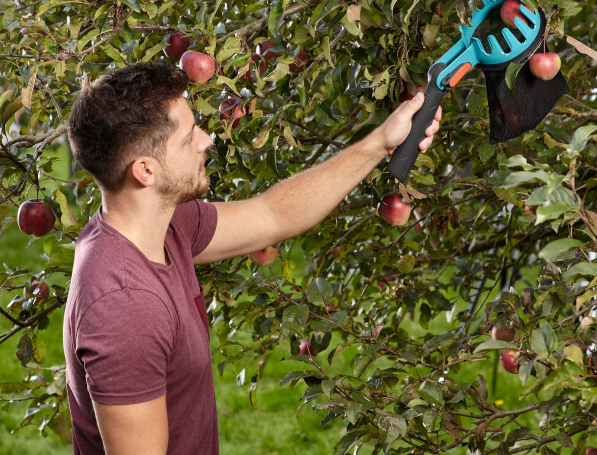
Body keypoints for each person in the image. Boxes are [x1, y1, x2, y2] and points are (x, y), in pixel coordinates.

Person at [63, 62, 442, 454]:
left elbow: (273, 214)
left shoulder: (163, 225)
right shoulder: (125, 306)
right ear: (145, 171)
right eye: (189, 137)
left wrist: (381, 141)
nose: (206, 140)